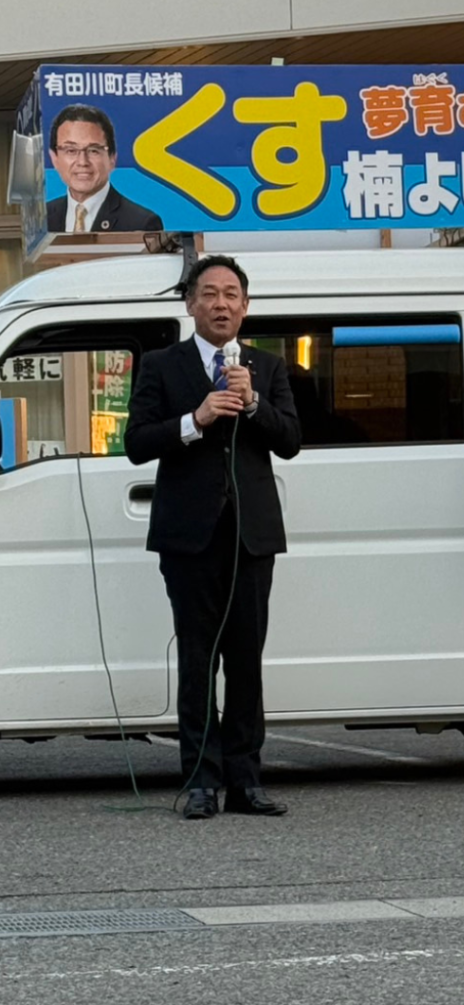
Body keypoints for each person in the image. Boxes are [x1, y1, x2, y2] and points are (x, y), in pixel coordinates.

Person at [125, 255, 301, 819]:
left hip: (252, 535)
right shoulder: (162, 365)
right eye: (209, 293)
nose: (220, 304)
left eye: (231, 294)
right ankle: (200, 780)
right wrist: (194, 419)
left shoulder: (266, 367)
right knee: (198, 659)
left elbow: (290, 440)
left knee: (247, 662)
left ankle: (246, 781)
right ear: (190, 303)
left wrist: (253, 403)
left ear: (245, 307)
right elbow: (136, 442)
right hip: (189, 537)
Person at [46, 104, 163, 233]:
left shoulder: (141, 223)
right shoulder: (41, 220)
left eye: (93, 151)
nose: (82, 162)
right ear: (54, 158)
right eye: (71, 150)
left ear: (112, 158)